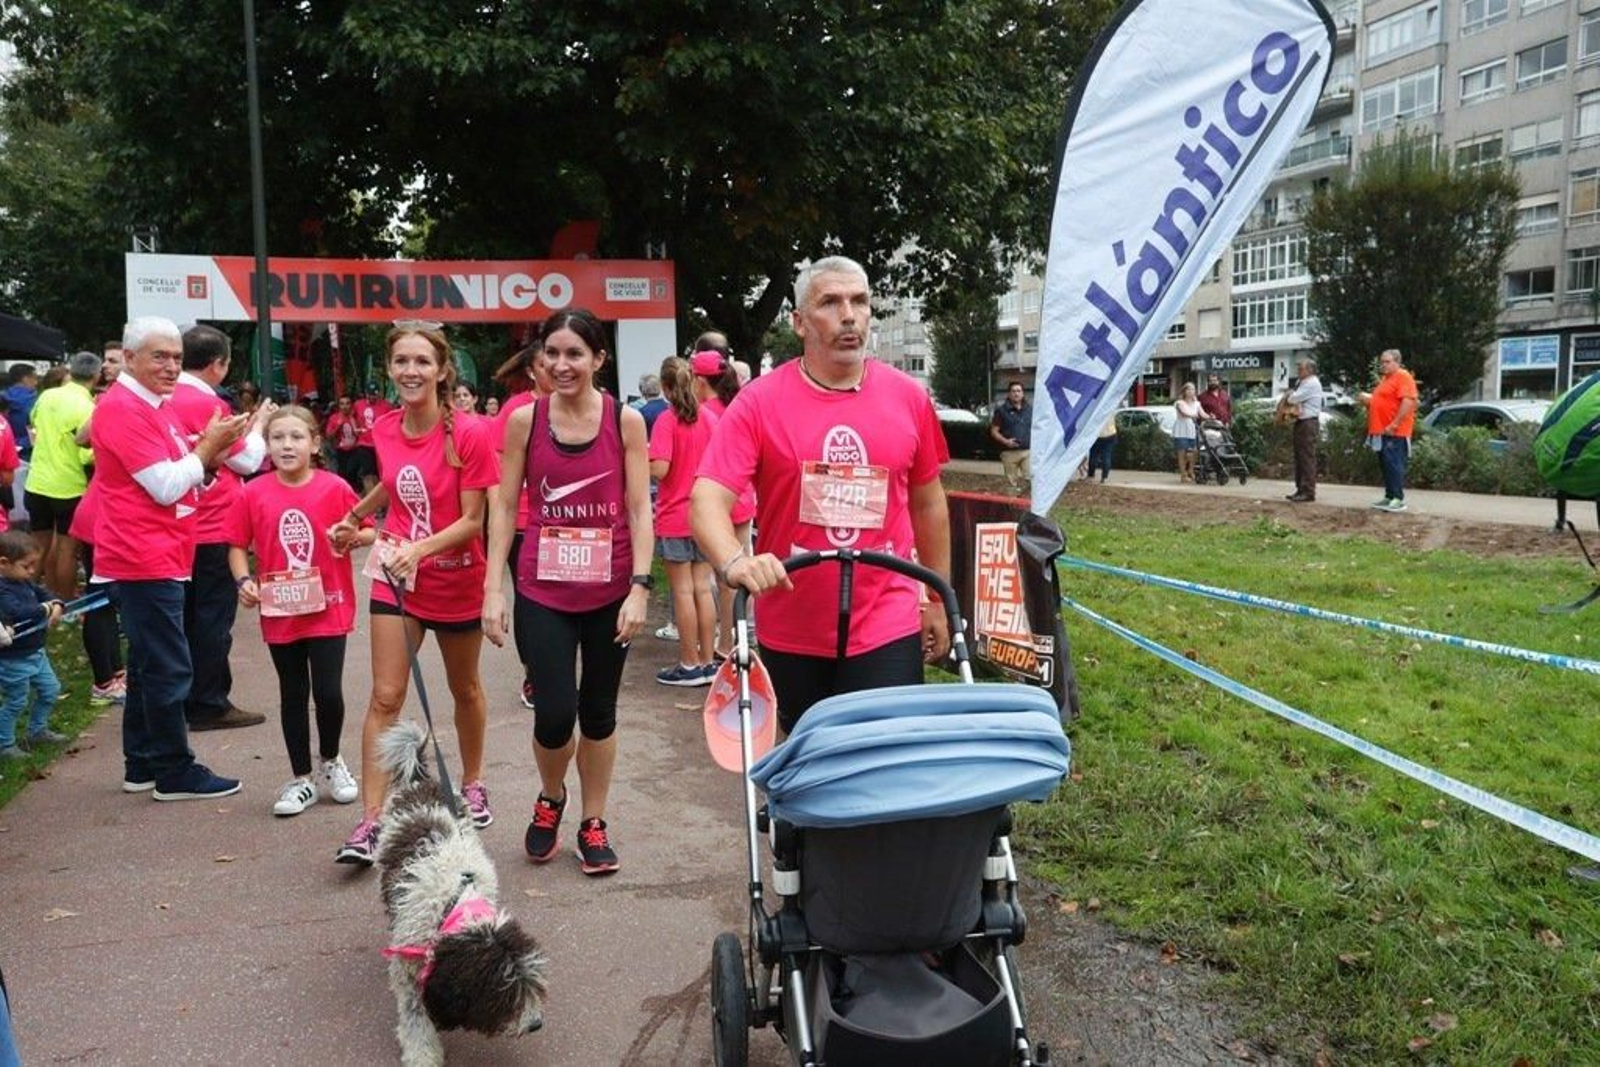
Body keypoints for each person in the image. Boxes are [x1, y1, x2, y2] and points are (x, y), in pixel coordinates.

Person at [690, 255, 952, 731]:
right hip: (792, 619)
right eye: (830, 302)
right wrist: (734, 561)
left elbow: (929, 502)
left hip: (885, 617)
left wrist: (936, 597)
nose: (849, 315)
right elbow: (707, 498)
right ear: (799, 322)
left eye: (859, 301)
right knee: (809, 767)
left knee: (879, 762)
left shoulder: (908, 397)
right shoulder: (760, 402)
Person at [483, 309, 653, 877]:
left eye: (575, 354)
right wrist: (493, 590)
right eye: (551, 354)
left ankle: (593, 820)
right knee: (555, 714)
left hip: (610, 591)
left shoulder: (625, 421)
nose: (562, 365)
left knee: (599, 712)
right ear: (539, 361)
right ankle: (552, 796)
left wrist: (640, 587)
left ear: (599, 360)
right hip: (544, 589)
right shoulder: (524, 422)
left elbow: (637, 508)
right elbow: (504, 504)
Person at [329, 323, 499, 865]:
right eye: (401, 361)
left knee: (464, 688)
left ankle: (472, 783)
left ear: (442, 370)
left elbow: (474, 520)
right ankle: (372, 822)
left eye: (422, 362)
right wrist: (354, 515)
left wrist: (420, 550)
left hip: (453, 576)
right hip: (396, 572)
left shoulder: (469, 433)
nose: (410, 371)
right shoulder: (383, 426)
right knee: (385, 696)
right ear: (390, 367)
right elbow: (394, 480)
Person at [93, 316, 250, 800]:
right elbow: (163, 485)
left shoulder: (150, 404)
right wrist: (208, 449)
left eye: (177, 357)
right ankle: (172, 769)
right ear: (131, 357)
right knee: (166, 666)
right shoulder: (124, 407)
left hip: (159, 548)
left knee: (148, 664)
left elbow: (178, 474)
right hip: (143, 552)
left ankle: (143, 764)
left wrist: (207, 458)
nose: (171, 366)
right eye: (159, 356)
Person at [229, 406, 371, 817]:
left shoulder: (335, 487)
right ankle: (301, 777)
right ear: (267, 445)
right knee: (292, 692)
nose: (286, 446)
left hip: (329, 605)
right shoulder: (251, 492)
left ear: (314, 443)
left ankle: (332, 761)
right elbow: (237, 545)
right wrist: (243, 581)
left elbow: (368, 528)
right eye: (277, 438)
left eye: (295, 437)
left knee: (328, 690)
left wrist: (351, 539)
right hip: (280, 609)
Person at [173, 325, 271, 732]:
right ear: (218, 364)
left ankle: (182, 697)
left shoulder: (163, 398)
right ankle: (208, 702)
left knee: (183, 617)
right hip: (213, 525)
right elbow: (246, 461)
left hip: (178, 525)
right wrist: (261, 425)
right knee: (212, 620)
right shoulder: (207, 403)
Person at [649, 357, 718, 686]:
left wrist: (643, 460)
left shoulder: (666, 420)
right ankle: (707, 660)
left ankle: (688, 664)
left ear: (664, 387)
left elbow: (660, 468)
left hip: (675, 515)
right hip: (705, 515)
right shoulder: (709, 418)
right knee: (703, 590)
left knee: (683, 592)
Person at [690, 347, 755, 657]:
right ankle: (740, 637)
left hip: (716, 503)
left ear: (701, 381)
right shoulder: (737, 406)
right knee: (743, 571)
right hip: (743, 500)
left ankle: (726, 642)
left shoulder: (703, 414)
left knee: (721, 575)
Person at [23, 351, 99, 598]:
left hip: (36, 483)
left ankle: (24, 602)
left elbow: (33, 423)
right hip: (69, 487)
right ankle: (64, 603)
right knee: (68, 551)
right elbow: (86, 454)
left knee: (36, 549)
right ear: (96, 376)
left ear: (70, 371)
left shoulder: (47, 395)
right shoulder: (88, 407)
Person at [0, 530, 65, 758]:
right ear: (4, 563)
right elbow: (18, 612)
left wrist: (56, 603)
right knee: (17, 701)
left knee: (51, 690)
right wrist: (46, 609)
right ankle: (5, 744)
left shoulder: (24, 581)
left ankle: (37, 730)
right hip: (13, 659)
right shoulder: (3, 589)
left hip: (36, 653)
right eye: (26, 566)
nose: (31, 571)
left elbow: (45, 592)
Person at [1358, 348, 1419, 513]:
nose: (1383, 365)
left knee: (1394, 464)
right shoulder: (1386, 379)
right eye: (1382, 362)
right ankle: (1390, 495)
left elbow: (1408, 402)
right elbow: (1383, 402)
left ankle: (1398, 498)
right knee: (1386, 464)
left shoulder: (1402, 377)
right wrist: (1369, 401)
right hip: (1381, 430)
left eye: (1387, 362)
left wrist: (1394, 424)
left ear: (1397, 362)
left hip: (1395, 431)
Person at [1283, 357, 1324, 503]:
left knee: (1306, 457)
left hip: (1308, 422)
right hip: (1301, 422)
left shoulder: (1312, 383)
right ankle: (1300, 488)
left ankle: (1308, 491)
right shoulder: (1302, 382)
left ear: (1310, 370)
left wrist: (1289, 395)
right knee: (1299, 457)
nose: (1298, 371)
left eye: (1301, 368)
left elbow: (1293, 399)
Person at [990, 382, 1032, 497]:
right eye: (1013, 391)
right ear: (1009, 394)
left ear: (1023, 393)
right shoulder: (1001, 411)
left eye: (1019, 391)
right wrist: (1006, 442)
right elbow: (994, 431)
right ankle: (1013, 507)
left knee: (1031, 479)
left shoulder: (1029, 410)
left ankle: (1027, 503)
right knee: (1011, 484)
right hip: (1008, 453)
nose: (1016, 394)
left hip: (1027, 452)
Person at [350, 383, 392, 494]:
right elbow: (352, 416)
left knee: (380, 473)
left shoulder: (386, 406)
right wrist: (355, 428)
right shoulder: (358, 404)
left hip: (380, 444)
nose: (371, 397)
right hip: (364, 443)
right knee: (368, 473)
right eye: (369, 394)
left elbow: (393, 422)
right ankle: (374, 505)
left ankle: (380, 501)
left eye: (374, 395)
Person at [324, 395, 363, 494]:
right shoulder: (334, 418)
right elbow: (329, 437)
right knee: (343, 475)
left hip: (356, 450)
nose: (345, 406)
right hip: (340, 451)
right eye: (342, 404)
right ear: (339, 406)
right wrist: (338, 425)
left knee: (353, 474)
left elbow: (362, 432)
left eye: (347, 403)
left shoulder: (357, 417)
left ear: (351, 405)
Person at [4, 365, 37, 457]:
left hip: (4, 451)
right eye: (34, 378)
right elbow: (34, 436)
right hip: (27, 454)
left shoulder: (2, 398)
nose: (36, 383)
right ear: (25, 379)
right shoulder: (34, 403)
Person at [1173, 382, 1201, 482]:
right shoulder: (1179, 403)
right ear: (1184, 391)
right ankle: (1183, 475)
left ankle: (1190, 470)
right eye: (1188, 389)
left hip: (1191, 430)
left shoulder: (1197, 403)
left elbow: (1202, 413)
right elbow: (1184, 413)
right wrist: (1194, 415)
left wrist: (1210, 417)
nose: (1190, 392)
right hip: (1181, 430)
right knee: (1182, 453)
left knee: (1195, 451)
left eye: (1192, 389)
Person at [1087, 414, 1117, 483]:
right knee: (1106, 456)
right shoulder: (1110, 408)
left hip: (1097, 435)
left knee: (1093, 455)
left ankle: (1091, 476)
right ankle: (1104, 477)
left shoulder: (1097, 409)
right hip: (1111, 434)